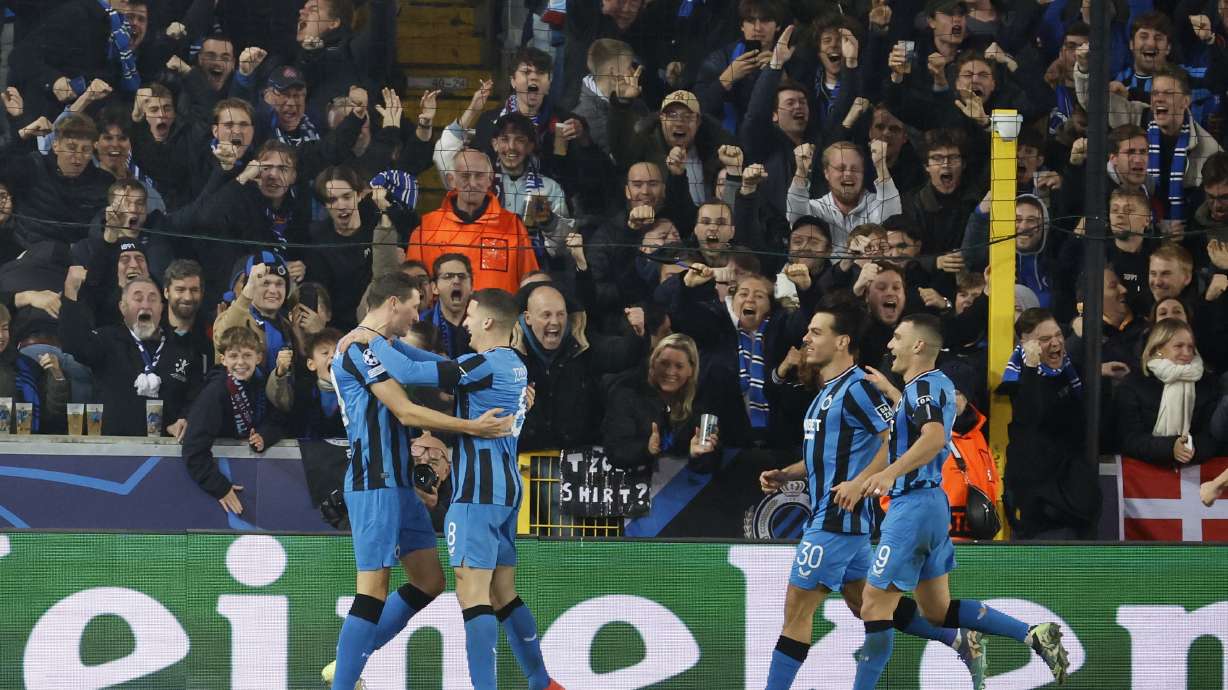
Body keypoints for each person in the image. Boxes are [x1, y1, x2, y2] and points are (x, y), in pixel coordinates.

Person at [348, 287, 563, 690]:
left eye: (471, 314)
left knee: (473, 594)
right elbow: (443, 366)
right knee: (503, 592)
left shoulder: (486, 365)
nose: (463, 321)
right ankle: (541, 681)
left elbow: (412, 375)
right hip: (505, 489)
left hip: (475, 493)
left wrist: (371, 341)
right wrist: (395, 343)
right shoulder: (511, 363)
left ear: (486, 321)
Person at [852, 313, 1071, 689]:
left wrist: (888, 474)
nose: (890, 345)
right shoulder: (934, 385)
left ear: (918, 345)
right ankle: (1032, 633)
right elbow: (923, 416)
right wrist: (892, 392)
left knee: (871, 603)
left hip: (911, 506)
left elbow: (934, 437)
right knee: (937, 611)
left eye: (897, 337)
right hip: (932, 505)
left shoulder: (922, 389)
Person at [757, 305, 964, 689]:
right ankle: (956, 638)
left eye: (816, 332)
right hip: (840, 520)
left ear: (842, 341)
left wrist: (862, 481)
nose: (806, 339)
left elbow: (895, 441)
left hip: (837, 519)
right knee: (866, 607)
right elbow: (827, 453)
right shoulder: (825, 392)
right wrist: (788, 473)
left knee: (796, 614)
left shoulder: (858, 388)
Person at [324, 273, 513, 690]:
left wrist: (512, 386)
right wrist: (471, 427)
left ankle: (347, 662)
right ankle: (345, 677)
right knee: (372, 589)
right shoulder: (358, 348)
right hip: (372, 479)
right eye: (414, 306)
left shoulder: (384, 348)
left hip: (400, 481)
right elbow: (406, 412)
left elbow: (443, 372)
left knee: (429, 581)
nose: (417, 315)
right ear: (394, 303)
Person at [998, 308, 1100, 539]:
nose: (1055, 343)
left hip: (1071, 491)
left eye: (1058, 335)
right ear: (1026, 342)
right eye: (1045, 339)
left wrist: (1101, 378)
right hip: (1037, 497)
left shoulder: (1069, 371)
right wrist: (1032, 368)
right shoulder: (1018, 378)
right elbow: (1032, 414)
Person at [58, 269, 194, 436]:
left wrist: (186, 418)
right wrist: (71, 292)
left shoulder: (181, 349)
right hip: (114, 453)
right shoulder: (107, 339)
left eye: (152, 299)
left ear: (161, 308)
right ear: (123, 307)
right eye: (138, 298)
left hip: (166, 454)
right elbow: (74, 344)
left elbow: (195, 397)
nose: (146, 304)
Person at [181, 326, 286, 512]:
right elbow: (193, 448)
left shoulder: (263, 383)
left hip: (255, 477)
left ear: (258, 357)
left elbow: (279, 421)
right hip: (218, 485)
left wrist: (265, 436)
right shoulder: (215, 391)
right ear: (223, 359)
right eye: (234, 356)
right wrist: (220, 487)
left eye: (247, 355)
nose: (241, 362)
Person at [405, 149, 540, 293]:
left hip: (498, 314)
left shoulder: (513, 226)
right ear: (451, 180)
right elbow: (412, 290)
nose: (473, 183)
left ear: (490, 179)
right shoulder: (426, 228)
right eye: (465, 176)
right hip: (439, 316)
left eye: (479, 176)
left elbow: (530, 285)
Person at [1114, 318, 1227, 465]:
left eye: (1190, 347)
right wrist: (1170, 448)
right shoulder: (1133, 384)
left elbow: (1212, 435)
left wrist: (1191, 449)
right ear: (1158, 349)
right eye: (1178, 346)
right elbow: (1128, 438)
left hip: (1196, 473)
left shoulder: (1208, 383)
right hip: (1144, 476)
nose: (1186, 353)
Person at [0, 303, 70, 434]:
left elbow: (54, 416)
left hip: (24, 446)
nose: (1, 336)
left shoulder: (27, 366)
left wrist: (57, 376)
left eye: (4, 328)